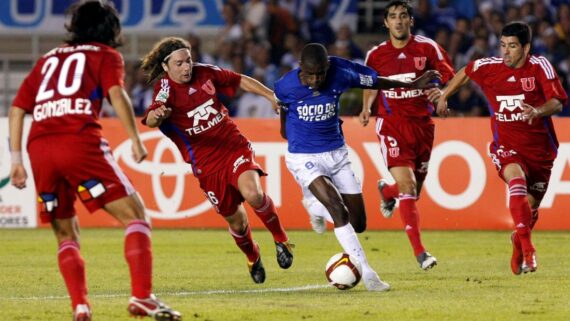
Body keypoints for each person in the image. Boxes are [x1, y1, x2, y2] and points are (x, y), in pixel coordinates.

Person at [8, 2, 180, 321]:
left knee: (65, 234)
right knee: (136, 217)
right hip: (78, 141)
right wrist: (134, 138)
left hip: (39, 148)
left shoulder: (47, 59)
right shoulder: (105, 55)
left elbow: (17, 109)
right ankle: (142, 297)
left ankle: (80, 306)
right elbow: (117, 94)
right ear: (109, 28)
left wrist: (15, 160)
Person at [275, 42, 440, 291]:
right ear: (301, 68)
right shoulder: (285, 85)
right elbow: (283, 112)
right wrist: (289, 134)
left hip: (337, 153)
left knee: (358, 223)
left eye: (321, 73)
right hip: (304, 156)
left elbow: (375, 82)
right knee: (338, 210)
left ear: (327, 66)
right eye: (311, 74)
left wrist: (411, 85)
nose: (316, 79)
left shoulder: (341, 71)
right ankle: (369, 274)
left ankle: (313, 207)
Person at [140, 37, 293, 284]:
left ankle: (281, 239)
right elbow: (150, 119)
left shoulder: (205, 72)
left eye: (188, 60)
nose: (187, 67)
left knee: (253, 194)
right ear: (166, 66)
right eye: (179, 63)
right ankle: (253, 256)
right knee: (237, 221)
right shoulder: (165, 90)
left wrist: (270, 96)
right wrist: (158, 116)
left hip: (232, 145)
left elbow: (239, 79)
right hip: (206, 164)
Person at [437, 21, 568, 275]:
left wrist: (538, 111)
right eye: (502, 45)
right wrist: (444, 94)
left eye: (512, 46)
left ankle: (518, 242)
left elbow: (558, 102)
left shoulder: (540, 67)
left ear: (526, 47)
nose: (505, 52)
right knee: (515, 180)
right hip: (506, 147)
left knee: (530, 211)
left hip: (540, 151)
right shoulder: (490, 67)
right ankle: (529, 252)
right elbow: (466, 71)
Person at [359, 0, 456, 271]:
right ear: (386, 23)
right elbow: (371, 83)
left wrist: (441, 94)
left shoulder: (427, 47)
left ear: (410, 20)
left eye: (403, 16)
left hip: (422, 126)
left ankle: (386, 191)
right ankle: (420, 253)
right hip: (391, 124)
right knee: (409, 187)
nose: (399, 21)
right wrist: (367, 107)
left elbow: (446, 75)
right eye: (393, 17)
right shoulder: (376, 55)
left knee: (412, 191)